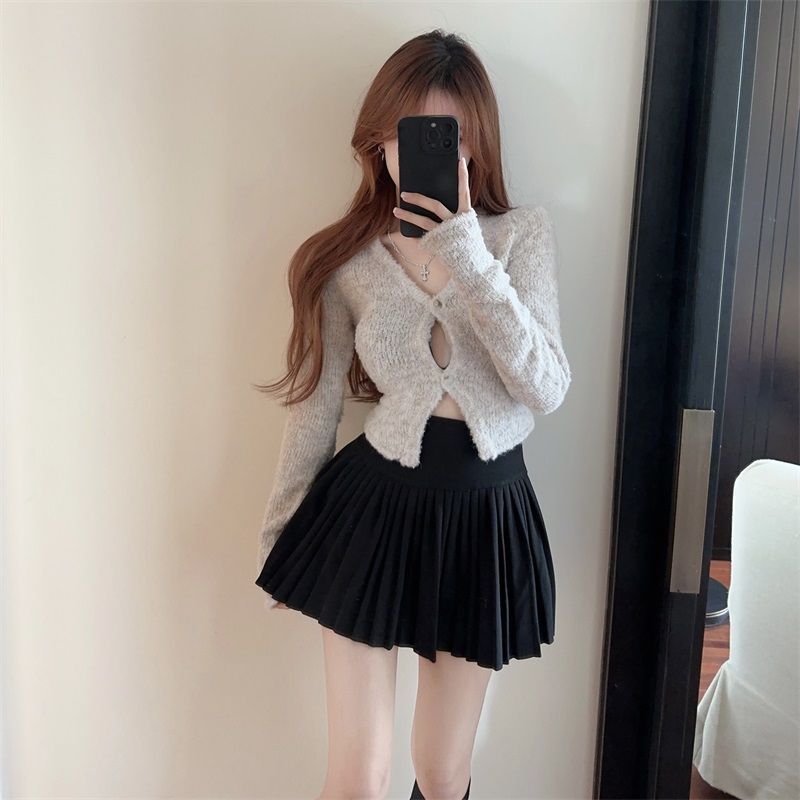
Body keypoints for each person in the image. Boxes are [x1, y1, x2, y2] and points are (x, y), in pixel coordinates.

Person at [253, 28, 571, 800]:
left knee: (442, 769)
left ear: (478, 143)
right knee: (358, 776)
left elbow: (546, 386)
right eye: (414, 131)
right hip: (370, 509)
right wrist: (283, 533)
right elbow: (316, 408)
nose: (432, 149)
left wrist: (464, 249)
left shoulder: (520, 236)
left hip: (483, 517)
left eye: (451, 134)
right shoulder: (346, 261)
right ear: (380, 142)